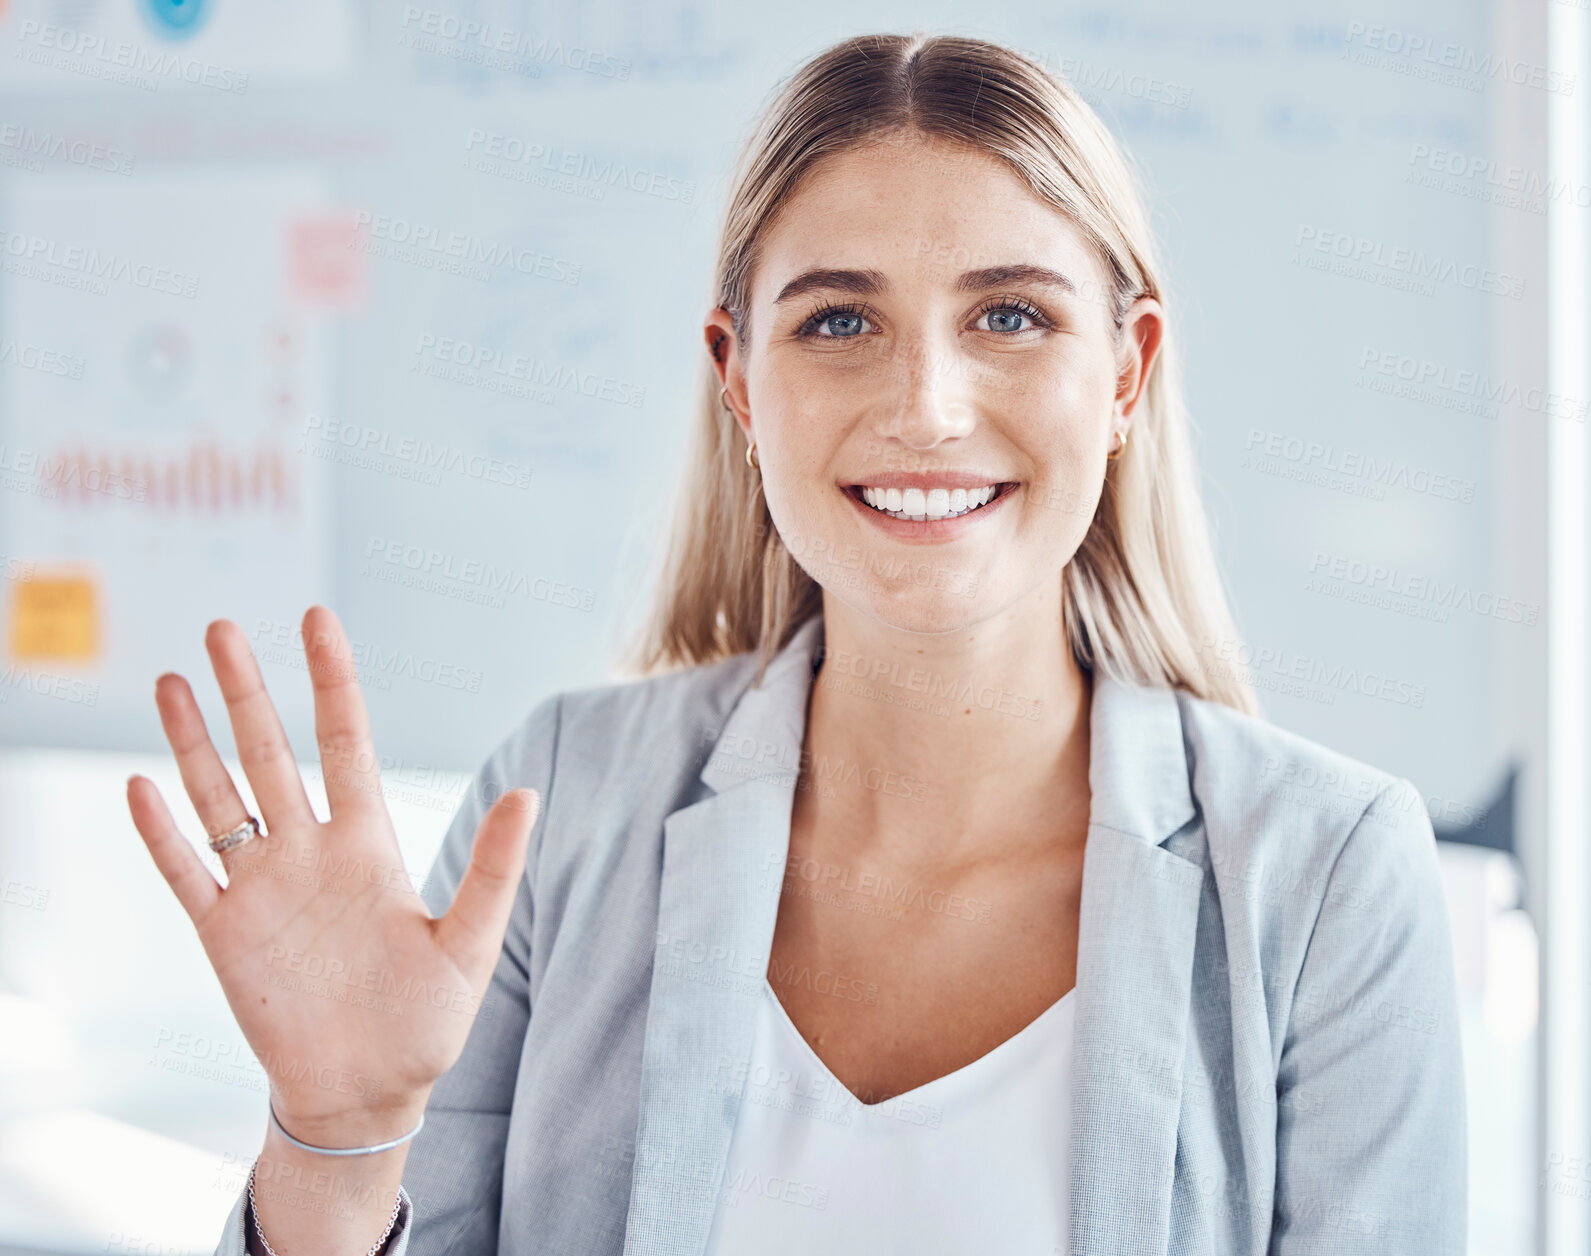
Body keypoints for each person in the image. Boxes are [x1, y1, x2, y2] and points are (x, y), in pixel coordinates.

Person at [125, 31, 1466, 1256]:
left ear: (1124, 373)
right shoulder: (564, 803)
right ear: (739, 379)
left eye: (1011, 316)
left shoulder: (1328, 879)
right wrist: (337, 1131)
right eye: (838, 321)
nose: (927, 408)